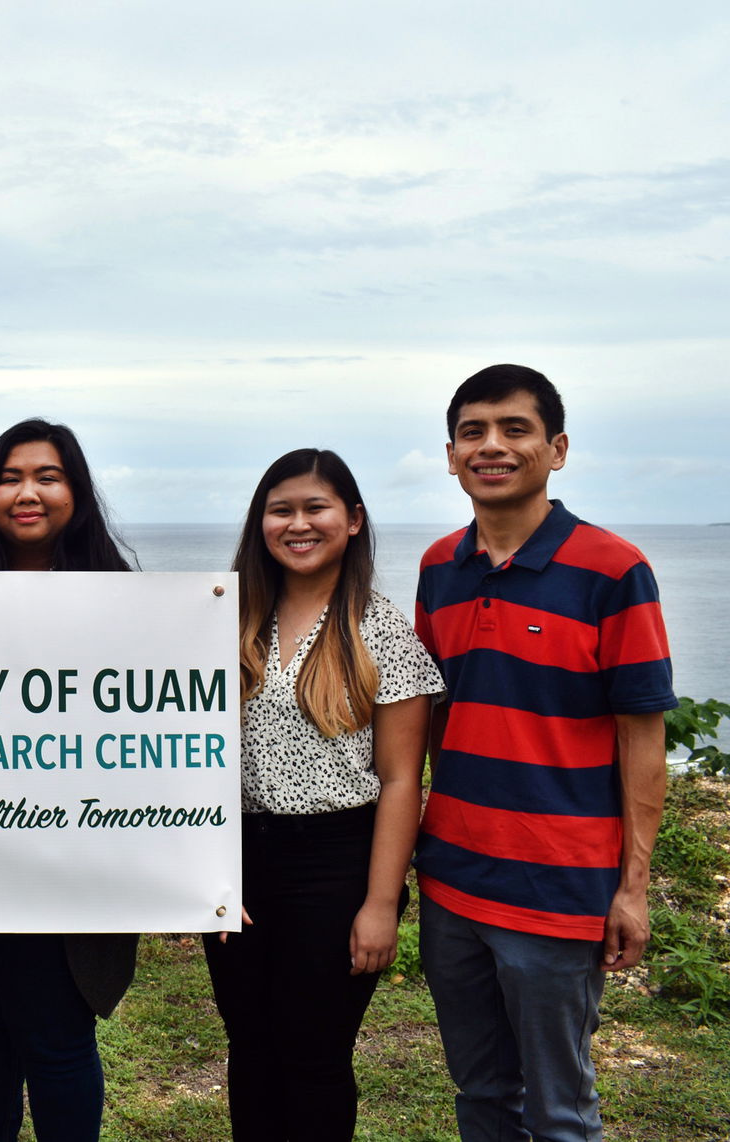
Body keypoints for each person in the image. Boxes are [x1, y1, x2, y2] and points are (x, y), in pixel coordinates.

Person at [414, 364, 674, 1142]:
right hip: (453, 879)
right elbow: (434, 715)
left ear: (556, 449)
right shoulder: (437, 568)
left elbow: (643, 738)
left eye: (514, 429)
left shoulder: (613, 569)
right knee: (481, 1093)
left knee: (561, 1111)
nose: (491, 446)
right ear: (452, 454)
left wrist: (633, 886)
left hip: (558, 890)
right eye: (473, 432)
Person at [201, 448, 442, 1141]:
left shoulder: (380, 628)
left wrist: (381, 903)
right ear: (261, 521)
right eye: (282, 509)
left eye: (316, 508)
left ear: (353, 520)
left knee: (314, 1055)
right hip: (238, 855)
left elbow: (403, 780)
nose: (298, 524)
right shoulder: (226, 618)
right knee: (249, 1045)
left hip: (338, 862)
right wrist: (203, 870)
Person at [0, 417, 140, 1142]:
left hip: (68, 869)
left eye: (47, 477)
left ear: (75, 492)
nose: (27, 493)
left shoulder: (130, 606)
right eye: (9, 477)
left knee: (53, 1043)